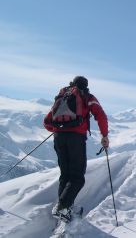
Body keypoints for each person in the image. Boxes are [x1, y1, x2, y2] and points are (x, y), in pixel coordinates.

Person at [43, 76, 109, 221]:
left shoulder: (62, 96)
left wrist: (60, 127)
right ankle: (63, 208)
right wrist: (104, 135)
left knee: (65, 175)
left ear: (72, 84)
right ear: (86, 86)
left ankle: (65, 207)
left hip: (58, 138)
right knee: (77, 177)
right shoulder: (87, 97)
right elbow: (101, 116)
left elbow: (47, 122)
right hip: (76, 139)